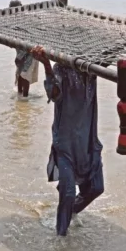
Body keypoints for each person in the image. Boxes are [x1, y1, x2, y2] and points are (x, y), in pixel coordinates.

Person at [31, 45, 104, 236]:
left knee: (97, 187)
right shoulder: (61, 69)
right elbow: (54, 94)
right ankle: (60, 240)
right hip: (66, 143)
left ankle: (71, 211)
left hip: (87, 141)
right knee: (69, 193)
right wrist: (46, 64)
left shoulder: (91, 70)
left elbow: (109, 59)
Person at [10, 0, 38, 97]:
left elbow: (32, 36)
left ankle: (24, 99)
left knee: (25, 75)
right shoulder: (12, 22)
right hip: (20, 53)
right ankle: (20, 97)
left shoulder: (26, 20)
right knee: (20, 74)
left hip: (30, 52)